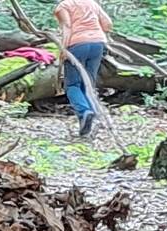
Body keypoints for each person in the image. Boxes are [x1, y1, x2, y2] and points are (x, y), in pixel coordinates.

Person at [52, 0, 112, 139]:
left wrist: (63, 49)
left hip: (76, 45)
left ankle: (85, 111)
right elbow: (108, 24)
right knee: (88, 84)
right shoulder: (91, 3)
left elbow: (67, 26)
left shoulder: (63, 6)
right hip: (98, 44)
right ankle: (88, 123)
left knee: (72, 85)